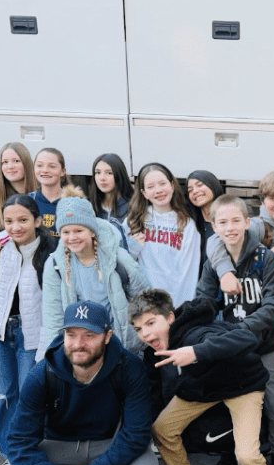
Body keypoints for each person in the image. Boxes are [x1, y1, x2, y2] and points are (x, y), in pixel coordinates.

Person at [131, 289, 274, 465]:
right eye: (138, 329)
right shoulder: (154, 352)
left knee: (247, 456)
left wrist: (196, 352)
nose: (145, 334)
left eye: (150, 323)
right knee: (163, 429)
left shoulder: (196, 334)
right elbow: (154, 396)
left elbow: (246, 338)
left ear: (170, 318)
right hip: (202, 392)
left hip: (242, 388)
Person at [0, 301, 161, 465]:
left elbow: (136, 434)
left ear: (107, 336)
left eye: (89, 335)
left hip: (108, 443)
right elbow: (19, 441)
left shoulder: (129, 367)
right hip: (59, 447)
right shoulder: (43, 373)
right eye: (71, 334)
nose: (78, 344)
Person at [195, 195, 274, 465]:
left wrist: (240, 331)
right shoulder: (213, 263)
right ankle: (231, 455)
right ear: (214, 227)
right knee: (230, 402)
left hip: (265, 346)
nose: (230, 227)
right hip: (231, 351)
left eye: (236, 220)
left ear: (247, 222)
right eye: (223, 222)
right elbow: (203, 301)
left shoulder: (264, 258)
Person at [0, 194, 58, 465]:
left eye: (23, 220)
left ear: (37, 220)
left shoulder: (52, 252)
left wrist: (46, 348)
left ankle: (31, 450)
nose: (16, 227)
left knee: (31, 396)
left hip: (32, 335)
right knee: (4, 395)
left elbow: (53, 304)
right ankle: (10, 454)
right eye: (9, 221)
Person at [40, 189, 150, 360]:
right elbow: (53, 316)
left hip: (121, 347)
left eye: (79, 231)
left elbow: (144, 301)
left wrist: (139, 342)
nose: (72, 237)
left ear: (92, 231)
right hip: (82, 350)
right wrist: (60, 355)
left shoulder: (118, 259)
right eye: (66, 232)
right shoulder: (55, 265)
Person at [127, 162, 201, 308]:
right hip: (143, 304)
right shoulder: (134, 221)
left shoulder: (186, 224)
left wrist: (180, 309)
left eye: (162, 184)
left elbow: (189, 272)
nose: (158, 190)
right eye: (150, 187)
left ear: (172, 186)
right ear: (143, 193)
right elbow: (124, 265)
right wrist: (133, 248)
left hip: (175, 304)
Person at [0, 142, 39, 233]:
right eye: (5, 162)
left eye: (16, 161)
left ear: (26, 163)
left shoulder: (42, 189)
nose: (10, 167)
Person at [185, 170, 226, 268]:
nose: (195, 191)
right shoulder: (190, 225)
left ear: (213, 185)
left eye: (200, 185)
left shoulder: (230, 221)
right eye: (190, 190)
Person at [88, 153, 134, 237]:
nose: (102, 178)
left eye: (109, 173)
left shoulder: (134, 207)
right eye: (98, 172)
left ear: (119, 175)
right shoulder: (89, 207)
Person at [30, 147, 68, 235]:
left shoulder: (75, 203)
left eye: (52, 166)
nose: (45, 170)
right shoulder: (28, 201)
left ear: (62, 171)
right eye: (39, 165)